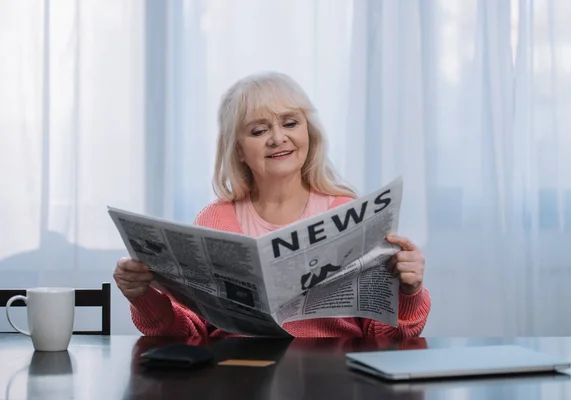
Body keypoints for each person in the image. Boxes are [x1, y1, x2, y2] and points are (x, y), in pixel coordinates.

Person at [113, 71, 431, 338]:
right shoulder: (214, 219)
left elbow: (388, 336)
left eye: (290, 123)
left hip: (334, 377)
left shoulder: (348, 212)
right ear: (238, 150)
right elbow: (189, 333)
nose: (278, 138)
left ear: (310, 134)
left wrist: (408, 291)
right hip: (238, 376)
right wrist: (143, 297)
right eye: (259, 130)